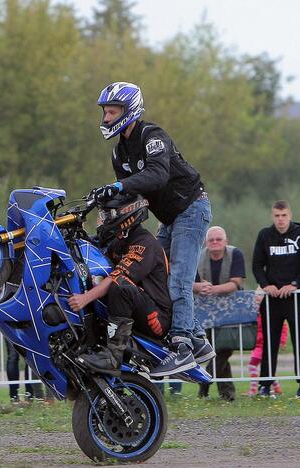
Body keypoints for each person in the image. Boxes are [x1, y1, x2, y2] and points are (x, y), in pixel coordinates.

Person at [91, 81, 213, 376]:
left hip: (191, 209)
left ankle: (182, 346)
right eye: (105, 112)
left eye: (112, 111)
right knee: (157, 274)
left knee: (179, 279)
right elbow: (131, 195)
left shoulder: (152, 136)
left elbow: (157, 176)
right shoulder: (119, 153)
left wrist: (118, 185)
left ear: (129, 110)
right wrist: (102, 200)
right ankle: (198, 339)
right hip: (169, 218)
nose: (106, 118)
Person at [68, 196, 172, 376]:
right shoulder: (120, 241)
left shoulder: (144, 243)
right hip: (136, 308)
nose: (103, 219)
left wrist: (84, 299)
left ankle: (113, 357)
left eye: (107, 215)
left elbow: (117, 278)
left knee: (118, 285)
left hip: (156, 318)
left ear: (125, 214)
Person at [252, 200, 300, 399]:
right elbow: (256, 265)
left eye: (284, 215)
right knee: (269, 343)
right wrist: (265, 285)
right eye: (277, 216)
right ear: (273, 216)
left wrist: (295, 284)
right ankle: (265, 384)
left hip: (294, 297)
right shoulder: (264, 235)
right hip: (272, 299)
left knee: (299, 342)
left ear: (290, 215)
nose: (280, 219)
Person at [193, 226, 246, 402]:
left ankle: (204, 381)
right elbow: (192, 283)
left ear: (226, 241)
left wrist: (213, 289)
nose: (215, 242)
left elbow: (236, 283)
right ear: (206, 242)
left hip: (231, 310)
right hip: (205, 310)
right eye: (211, 240)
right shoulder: (198, 256)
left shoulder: (236, 254)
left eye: (218, 239)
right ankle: (228, 394)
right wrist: (201, 287)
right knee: (214, 351)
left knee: (224, 348)